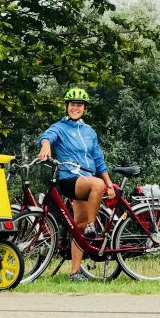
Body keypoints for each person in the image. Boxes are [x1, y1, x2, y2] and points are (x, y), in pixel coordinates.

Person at [38, 87, 114, 281]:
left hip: (87, 180)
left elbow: (99, 160)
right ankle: (92, 225)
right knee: (98, 186)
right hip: (70, 178)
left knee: (77, 227)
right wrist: (46, 146)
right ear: (67, 107)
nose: (75, 108)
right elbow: (46, 137)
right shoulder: (60, 127)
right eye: (72, 104)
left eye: (79, 105)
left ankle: (75, 272)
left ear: (84, 109)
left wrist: (110, 184)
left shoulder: (90, 132)